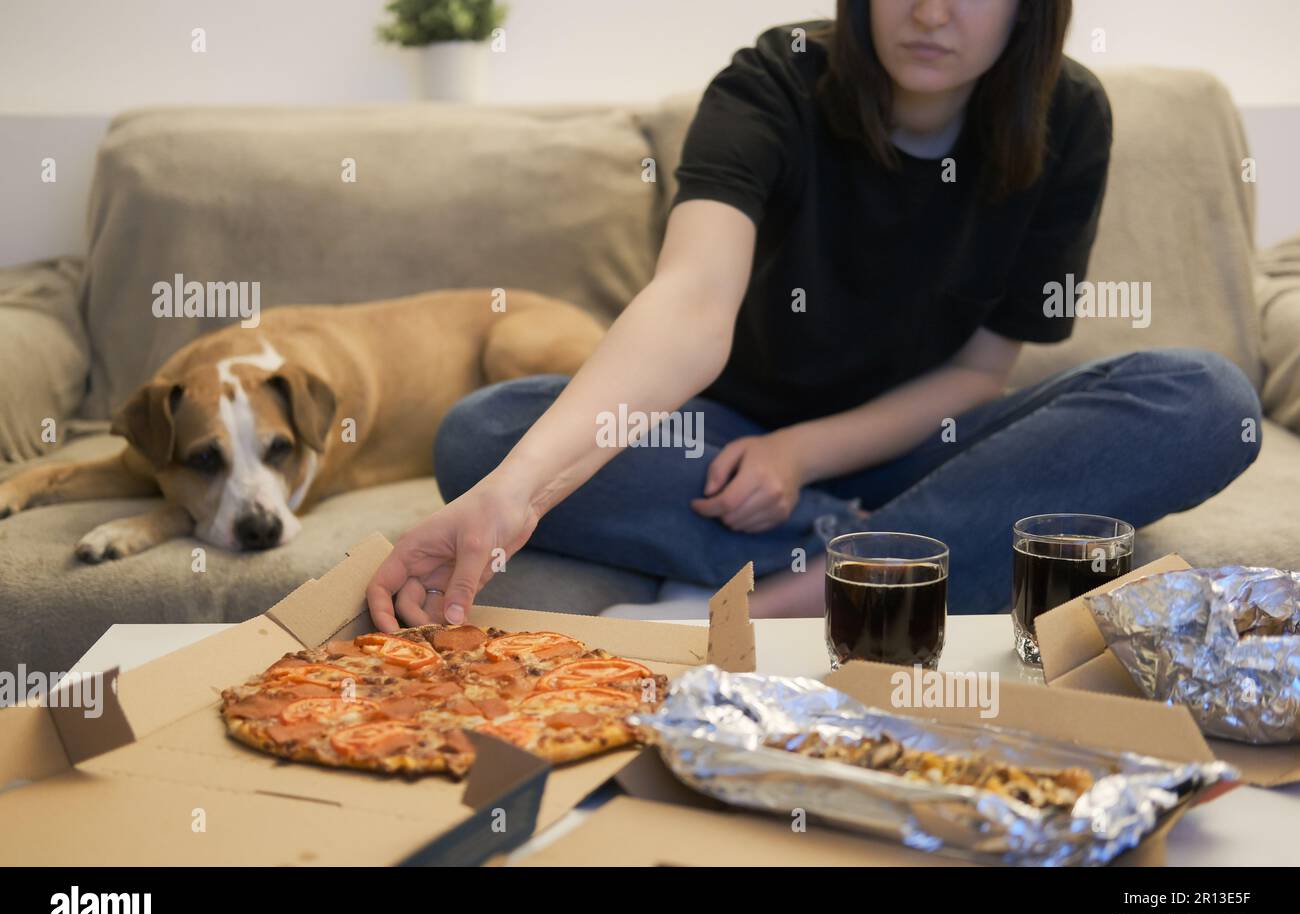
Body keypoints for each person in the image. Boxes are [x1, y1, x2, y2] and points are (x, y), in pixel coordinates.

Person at [366, 0, 1261, 632]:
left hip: (925, 436)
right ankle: (931, 547)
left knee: (1208, 398)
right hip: (719, 445)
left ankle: (814, 586)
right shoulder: (773, 82)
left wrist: (804, 456)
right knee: (485, 435)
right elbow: (690, 303)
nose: (933, 12)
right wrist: (510, 497)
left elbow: (981, 373)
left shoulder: (1069, 115)